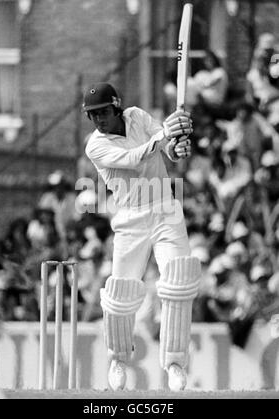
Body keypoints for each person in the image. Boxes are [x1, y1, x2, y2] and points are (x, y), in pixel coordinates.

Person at [83, 82, 201, 392]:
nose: (98, 120)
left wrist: (177, 146)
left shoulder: (136, 116)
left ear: (117, 106)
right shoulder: (95, 145)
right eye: (92, 115)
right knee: (121, 294)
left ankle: (175, 363)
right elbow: (135, 158)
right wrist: (165, 133)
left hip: (165, 211)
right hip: (130, 218)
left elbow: (167, 153)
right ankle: (119, 358)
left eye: (103, 112)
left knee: (180, 280)